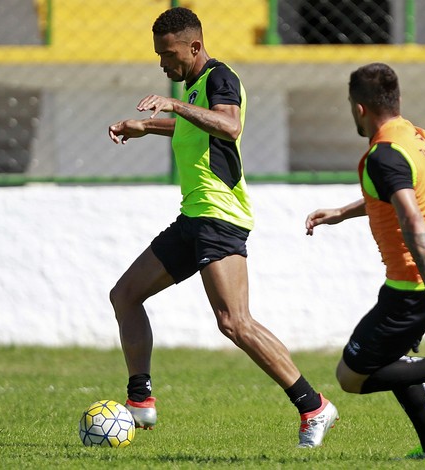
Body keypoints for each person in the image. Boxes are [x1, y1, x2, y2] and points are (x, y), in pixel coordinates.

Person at [108, 7, 338, 448]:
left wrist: (171, 104)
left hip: (220, 215)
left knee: (234, 322)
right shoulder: (195, 89)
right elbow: (195, 127)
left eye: (168, 53)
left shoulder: (219, 77)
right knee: (125, 295)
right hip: (194, 217)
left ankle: (313, 406)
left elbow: (229, 126)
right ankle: (140, 401)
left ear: (194, 47)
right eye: (158, 54)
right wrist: (146, 126)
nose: (162, 63)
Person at [305, 62, 425, 460]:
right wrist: (341, 213)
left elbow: (411, 218)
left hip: (414, 283)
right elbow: (398, 197)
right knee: (397, 362)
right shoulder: (414, 135)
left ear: (359, 108)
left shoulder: (383, 154)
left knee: (352, 377)